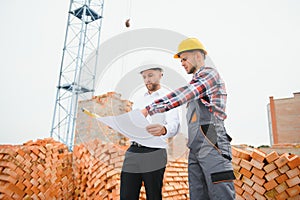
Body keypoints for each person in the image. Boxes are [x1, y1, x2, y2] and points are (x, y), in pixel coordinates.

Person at [141, 38, 236, 200]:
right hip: (196, 147)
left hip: (213, 141)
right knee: (198, 195)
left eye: (184, 59)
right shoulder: (196, 83)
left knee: (221, 194)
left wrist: (149, 108)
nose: (182, 63)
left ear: (198, 56)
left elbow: (184, 94)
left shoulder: (209, 75)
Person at [120, 65, 180, 200]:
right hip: (133, 151)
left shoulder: (169, 98)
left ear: (160, 75)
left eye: (151, 75)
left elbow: (174, 125)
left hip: (155, 152)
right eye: (144, 77)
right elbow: (134, 124)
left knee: (153, 195)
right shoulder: (138, 101)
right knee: (126, 195)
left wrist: (164, 129)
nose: (147, 80)